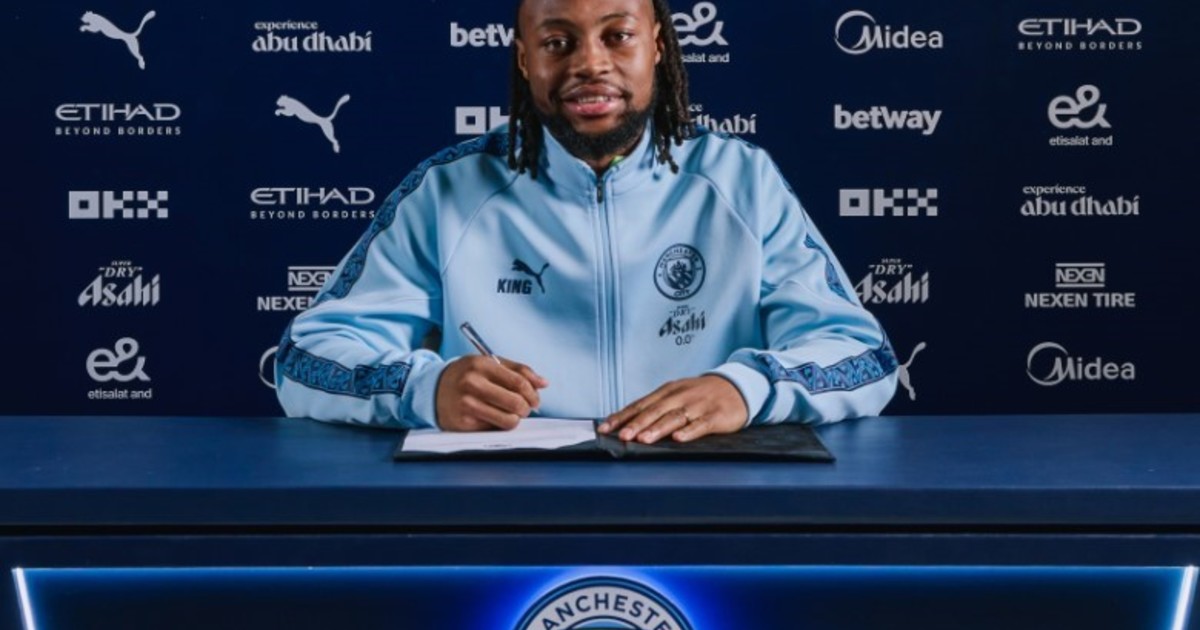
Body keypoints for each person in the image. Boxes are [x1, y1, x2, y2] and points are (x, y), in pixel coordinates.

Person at [275, 0, 898, 444]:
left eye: (617, 35)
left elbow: (864, 356)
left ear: (658, 46)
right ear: (525, 60)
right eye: (557, 42)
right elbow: (304, 359)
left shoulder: (740, 180)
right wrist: (425, 390)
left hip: (705, 507)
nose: (590, 63)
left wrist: (745, 388)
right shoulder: (448, 191)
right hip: (504, 516)